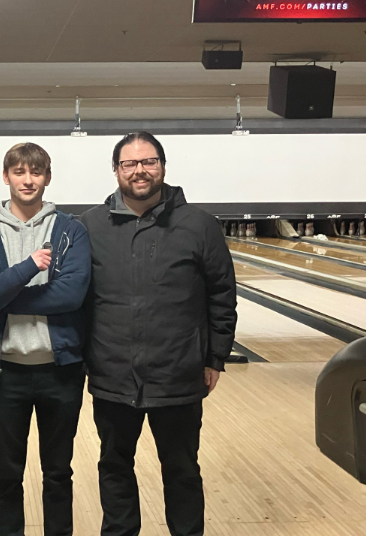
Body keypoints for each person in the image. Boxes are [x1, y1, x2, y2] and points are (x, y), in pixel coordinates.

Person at [80, 131, 237, 536]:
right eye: (130, 164)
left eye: (148, 162)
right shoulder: (91, 226)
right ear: (116, 170)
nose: (140, 171)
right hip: (113, 375)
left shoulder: (199, 225)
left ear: (163, 167)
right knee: (114, 467)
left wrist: (215, 356)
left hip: (179, 374)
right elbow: (78, 300)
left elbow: (222, 293)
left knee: (182, 471)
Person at [0, 143, 91, 536]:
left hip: (61, 371)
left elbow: (71, 295)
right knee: (7, 475)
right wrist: (25, 269)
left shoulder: (71, 230)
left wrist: (3, 295)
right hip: (5, 375)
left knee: (57, 473)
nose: (28, 179)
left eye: (36, 172)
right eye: (19, 172)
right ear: (6, 177)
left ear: (47, 178)